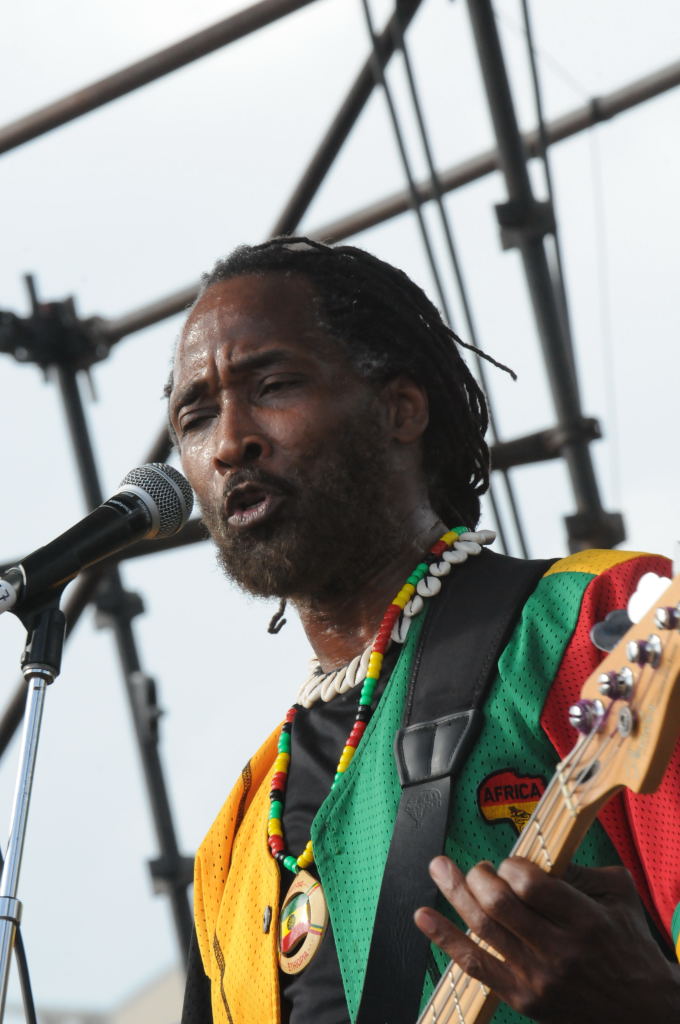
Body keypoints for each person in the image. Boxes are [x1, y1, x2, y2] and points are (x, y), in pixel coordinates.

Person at [169, 237, 680, 1024]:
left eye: (273, 386)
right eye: (197, 417)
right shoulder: (231, 846)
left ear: (401, 409)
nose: (231, 441)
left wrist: (652, 1004)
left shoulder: (596, 624)